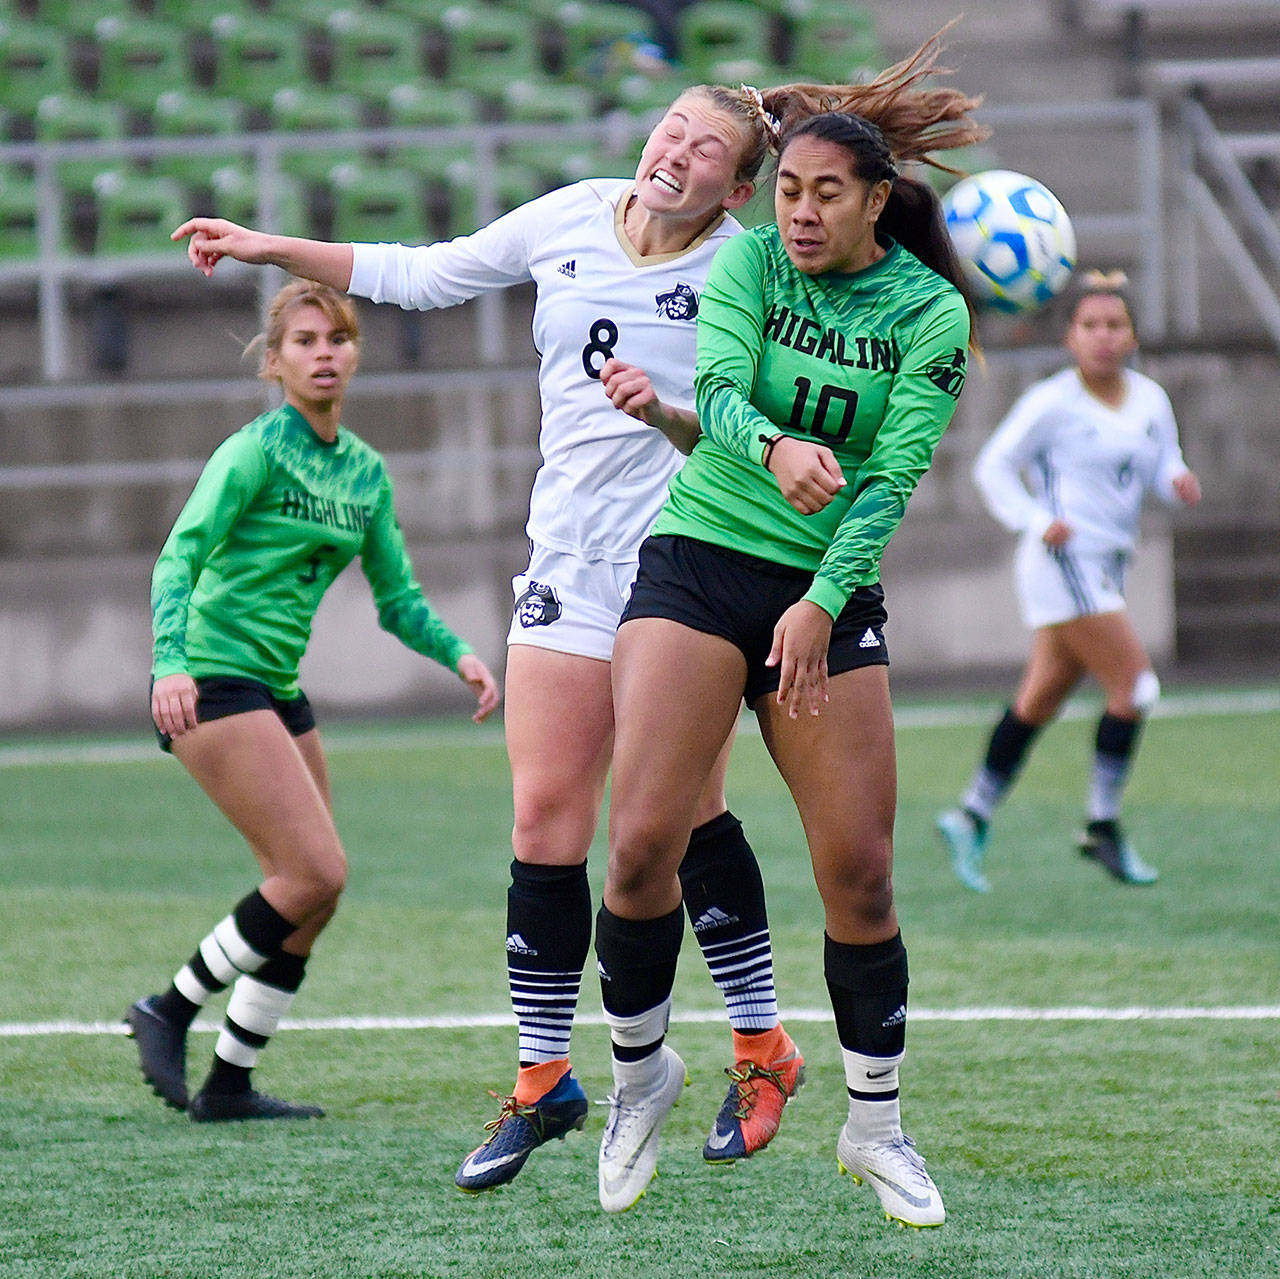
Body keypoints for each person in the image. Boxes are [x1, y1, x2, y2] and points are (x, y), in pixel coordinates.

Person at [168, 76, 839, 1185]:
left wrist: (679, 422)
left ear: (738, 185)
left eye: (704, 147)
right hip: (566, 569)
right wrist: (264, 245)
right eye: (670, 127)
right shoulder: (572, 212)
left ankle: (760, 1042)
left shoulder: (748, 268)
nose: (674, 151)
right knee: (542, 818)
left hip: (691, 568)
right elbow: (424, 272)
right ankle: (541, 1079)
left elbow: (756, 429)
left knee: (684, 815)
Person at [589, 49, 986, 1223]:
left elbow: (894, 475)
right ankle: (637, 1076)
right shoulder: (750, 261)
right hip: (701, 563)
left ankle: (875, 1126)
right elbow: (712, 392)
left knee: (857, 874)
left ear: (874, 202)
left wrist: (821, 601)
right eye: (787, 189)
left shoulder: (928, 311)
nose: (798, 212)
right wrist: (770, 448)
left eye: (824, 194)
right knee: (638, 847)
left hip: (828, 589)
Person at [126, 280, 500, 1122]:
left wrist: (460, 655)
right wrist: (168, 662)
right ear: (274, 360)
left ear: (356, 351)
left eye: (337, 337)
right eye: (303, 340)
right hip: (213, 677)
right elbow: (178, 557)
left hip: (278, 690)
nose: (323, 352)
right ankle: (169, 1008)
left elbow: (396, 597)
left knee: (314, 892)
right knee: (315, 870)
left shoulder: (364, 471)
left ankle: (226, 1082)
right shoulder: (254, 450)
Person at [937, 270, 1201, 892]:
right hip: (1064, 563)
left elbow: (1163, 463)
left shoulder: (1149, 400)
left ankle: (969, 813)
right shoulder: (1052, 402)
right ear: (1070, 338)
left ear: (1133, 337)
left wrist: (1177, 481)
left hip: (1108, 566)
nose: (1104, 336)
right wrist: (1035, 518)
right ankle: (1101, 826)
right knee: (1135, 689)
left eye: (1115, 325)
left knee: (1039, 700)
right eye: (1090, 325)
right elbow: (993, 466)